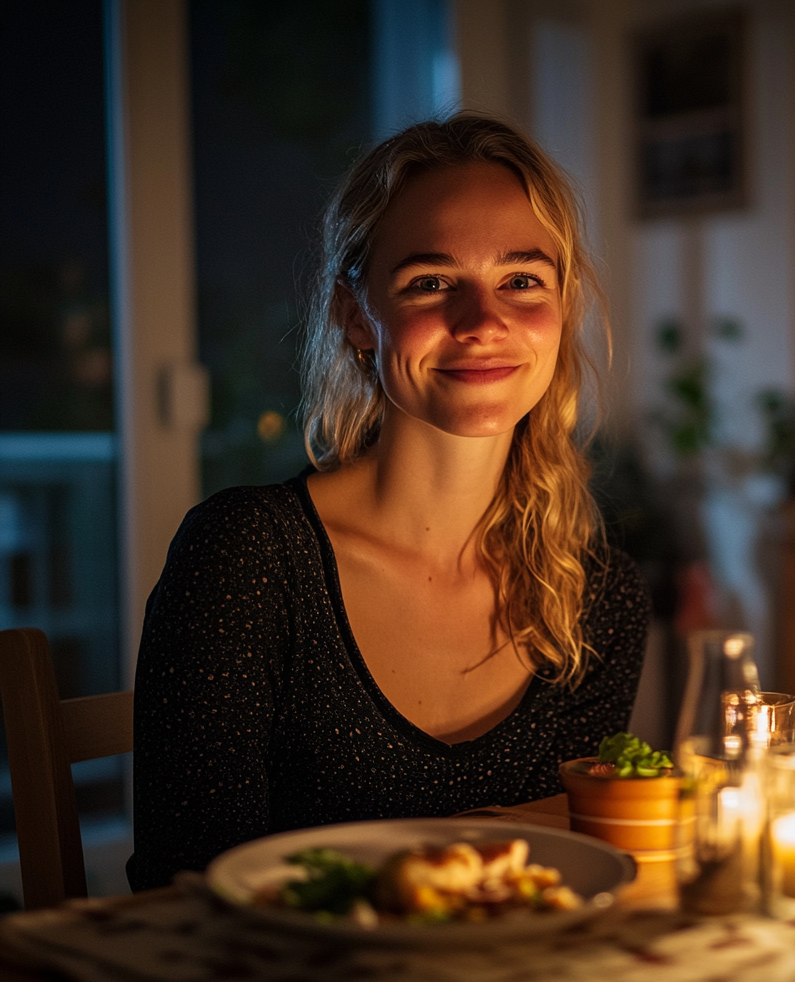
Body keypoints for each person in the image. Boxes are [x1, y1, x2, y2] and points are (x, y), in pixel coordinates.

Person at [128, 114, 651, 891]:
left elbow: (569, 875)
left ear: (563, 310)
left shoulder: (596, 592)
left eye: (521, 281)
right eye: (432, 283)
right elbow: (186, 892)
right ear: (354, 316)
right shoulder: (247, 558)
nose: (483, 322)